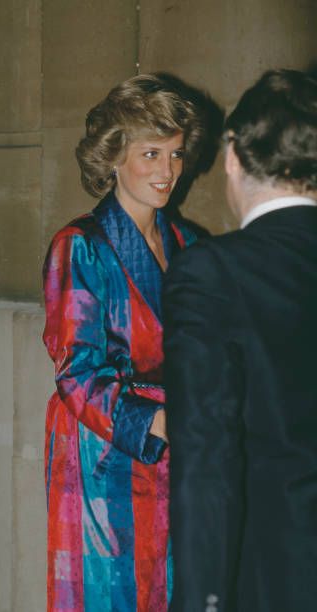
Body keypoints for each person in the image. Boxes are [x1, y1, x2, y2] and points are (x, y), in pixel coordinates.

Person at [42, 73, 208, 611]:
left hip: (179, 443)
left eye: (177, 155)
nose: (168, 172)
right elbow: (76, 373)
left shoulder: (189, 244)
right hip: (105, 452)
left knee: (176, 588)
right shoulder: (81, 246)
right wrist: (155, 421)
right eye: (151, 153)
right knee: (114, 594)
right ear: (114, 156)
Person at [163, 69, 317, 612]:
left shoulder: (212, 272)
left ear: (232, 155)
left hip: (278, 577)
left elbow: (206, 462)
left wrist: (203, 602)